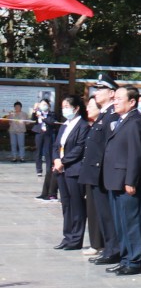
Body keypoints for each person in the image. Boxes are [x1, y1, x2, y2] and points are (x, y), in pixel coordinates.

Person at [102, 85, 141, 276]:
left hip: (126, 181)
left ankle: (135, 261)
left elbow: (136, 154)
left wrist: (131, 180)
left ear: (132, 102)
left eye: (119, 98)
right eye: (115, 98)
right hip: (114, 179)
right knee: (120, 223)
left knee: (130, 223)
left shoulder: (136, 122)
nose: (115, 101)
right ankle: (125, 258)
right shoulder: (121, 120)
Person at [81, 81, 117, 261]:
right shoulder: (104, 114)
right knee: (101, 213)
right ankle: (108, 248)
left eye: (101, 89)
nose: (97, 92)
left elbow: (108, 147)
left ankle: (112, 249)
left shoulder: (112, 115)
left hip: (102, 172)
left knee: (107, 214)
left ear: (112, 93)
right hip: (95, 172)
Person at [52, 96, 88, 250]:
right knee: (66, 204)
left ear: (76, 108)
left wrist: (63, 161)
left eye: (67, 106)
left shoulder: (83, 126)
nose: (64, 109)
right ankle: (67, 236)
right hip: (61, 170)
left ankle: (76, 238)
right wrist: (56, 161)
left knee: (77, 204)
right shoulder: (64, 125)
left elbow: (79, 148)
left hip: (74, 169)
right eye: (63, 106)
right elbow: (56, 145)